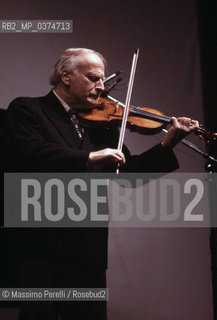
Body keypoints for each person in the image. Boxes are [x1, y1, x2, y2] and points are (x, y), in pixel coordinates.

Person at [6, 48, 199, 320]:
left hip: (88, 248)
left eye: (102, 80)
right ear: (66, 77)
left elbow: (129, 174)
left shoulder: (103, 124)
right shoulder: (28, 109)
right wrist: (89, 156)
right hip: (42, 246)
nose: (101, 87)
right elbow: (30, 153)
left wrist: (168, 144)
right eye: (94, 78)